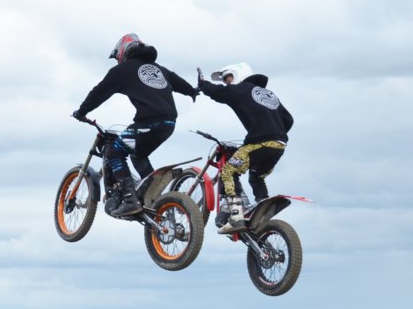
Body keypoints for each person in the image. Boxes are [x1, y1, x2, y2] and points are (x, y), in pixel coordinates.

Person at [72, 32, 196, 217]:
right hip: (169, 124)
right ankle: (153, 197)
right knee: (138, 155)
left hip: (149, 122)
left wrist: (82, 112)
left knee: (114, 152)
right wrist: (192, 91)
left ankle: (130, 199)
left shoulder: (122, 71)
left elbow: (99, 92)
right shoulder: (158, 69)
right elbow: (178, 81)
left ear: (123, 51)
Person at [197, 62, 294, 234]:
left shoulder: (243, 89)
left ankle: (236, 217)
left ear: (239, 74)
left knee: (228, 172)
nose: (228, 83)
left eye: (229, 78)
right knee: (257, 176)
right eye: (226, 80)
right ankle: (263, 207)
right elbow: (289, 120)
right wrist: (274, 131)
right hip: (279, 145)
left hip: (259, 143)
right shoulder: (269, 94)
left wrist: (204, 85)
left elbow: (220, 93)